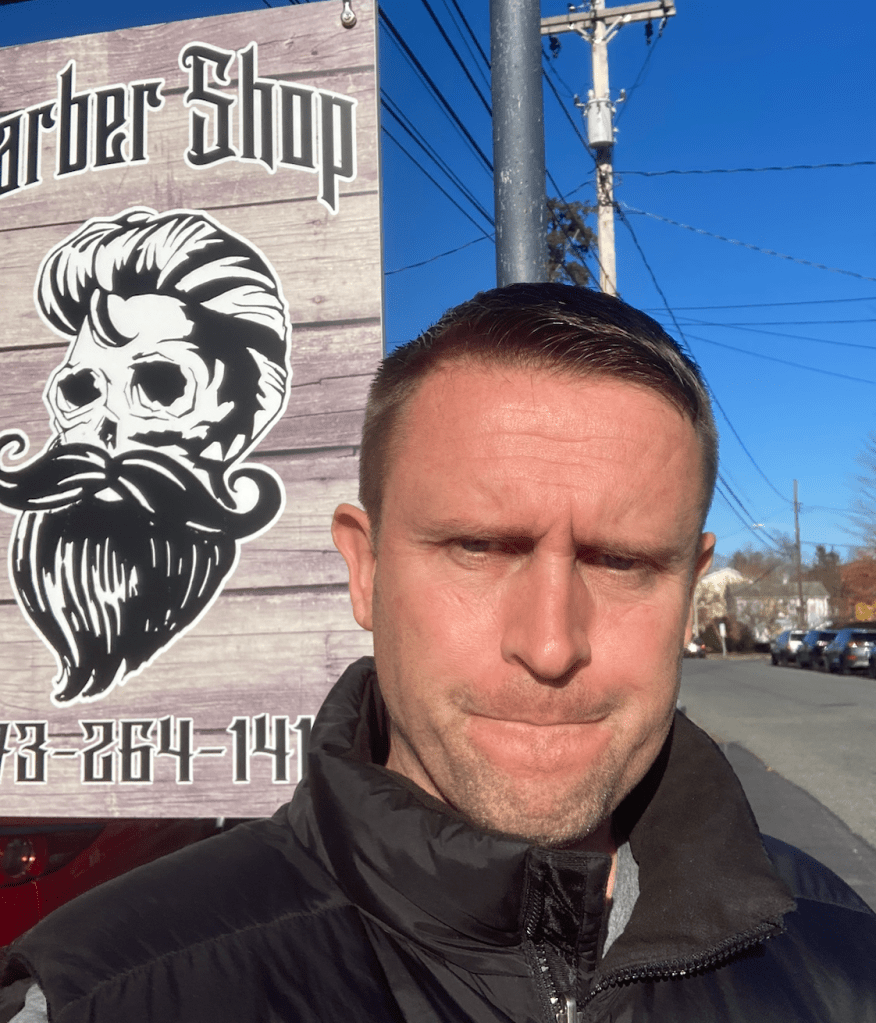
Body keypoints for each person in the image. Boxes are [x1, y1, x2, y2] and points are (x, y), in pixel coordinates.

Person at [2, 283, 875, 1022]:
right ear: (366, 569)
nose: (550, 645)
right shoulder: (117, 992)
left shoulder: (841, 948)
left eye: (622, 561)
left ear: (688, 585)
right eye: (479, 547)